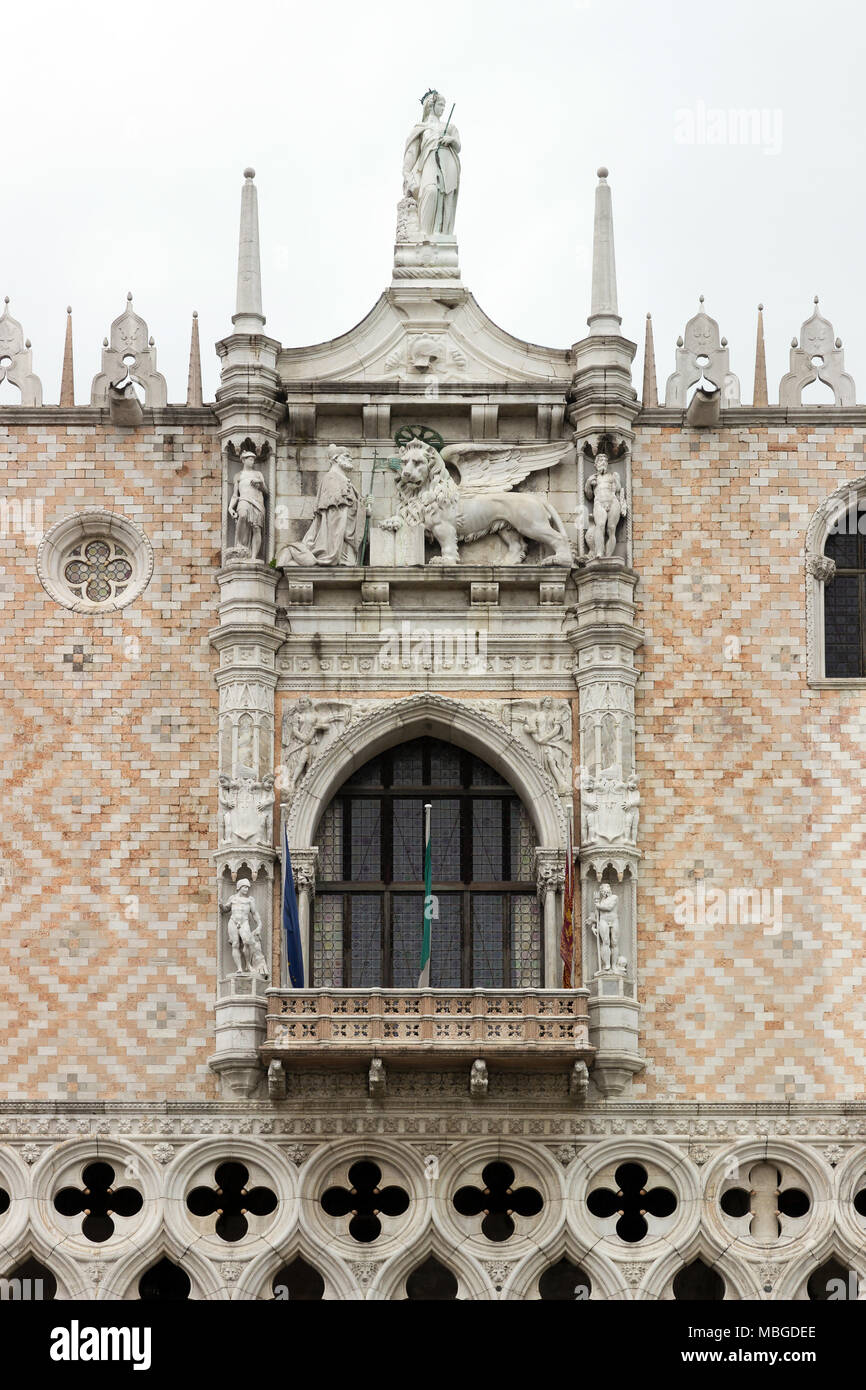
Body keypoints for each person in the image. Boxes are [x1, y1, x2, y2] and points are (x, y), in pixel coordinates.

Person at [276, 445, 367, 567]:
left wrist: (365, 509)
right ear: (335, 459)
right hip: (336, 537)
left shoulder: (342, 479)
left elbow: (349, 510)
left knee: (349, 564)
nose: (350, 459)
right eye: (346, 456)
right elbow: (335, 514)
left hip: (344, 538)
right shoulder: (331, 478)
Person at [401, 90, 461, 236]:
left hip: (448, 163)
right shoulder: (421, 128)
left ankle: (440, 233)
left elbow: (458, 146)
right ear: (431, 105)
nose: (442, 108)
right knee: (430, 191)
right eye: (440, 104)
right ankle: (424, 235)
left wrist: (451, 140)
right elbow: (412, 154)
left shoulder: (450, 127)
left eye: (444, 106)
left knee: (445, 197)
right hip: (428, 161)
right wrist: (407, 175)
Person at [229, 450, 267, 560]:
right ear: (243, 460)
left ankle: (254, 557)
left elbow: (266, 491)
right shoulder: (238, 475)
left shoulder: (258, 474)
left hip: (257, 502)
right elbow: (235, 495)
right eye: (250, 459)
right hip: (244, 500)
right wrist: (230, 507)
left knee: (256, 528)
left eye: (253, 459)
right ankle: (240, 546)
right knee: (242, 516)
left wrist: (259, 484)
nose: (253, 461)